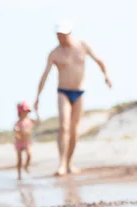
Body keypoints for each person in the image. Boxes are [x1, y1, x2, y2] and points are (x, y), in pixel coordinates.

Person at [34, 21, 112, 176]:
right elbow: (44, 76)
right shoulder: (54, 53)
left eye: (63, 35)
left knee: (74, 130)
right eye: (58, 35)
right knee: (64, 126)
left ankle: (70, 163)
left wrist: (106, 76)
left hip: (79, 92)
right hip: (63, 92)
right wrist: (38, 98)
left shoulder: (82, 46)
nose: (60, 38)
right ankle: (61, 164)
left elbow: (99, 60)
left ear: (69, 33)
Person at [14, 101, 40, 180]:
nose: (25, 113)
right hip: (19, 142)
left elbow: (38, 121)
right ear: (20, 113)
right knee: (19, 159)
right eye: (24, 112)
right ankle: (19, 175)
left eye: (26, 112)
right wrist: (17, 132)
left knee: (29, 155)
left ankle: (26, 166)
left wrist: (36, 112)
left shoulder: (29, 120)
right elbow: (15, 131)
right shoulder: (18, 123)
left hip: (27, 142)